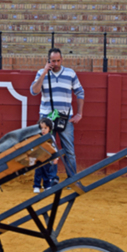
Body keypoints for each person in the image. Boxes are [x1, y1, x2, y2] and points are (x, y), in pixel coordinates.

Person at [30, 48, 85, 179]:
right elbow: (34, 91)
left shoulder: (70, 73)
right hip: (46, 118)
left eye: (58, 60)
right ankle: (50, 179)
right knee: (47, 149)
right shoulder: (41, 73)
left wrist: (79, 114)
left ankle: (72, 180)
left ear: (62, 59)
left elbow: (80, 92)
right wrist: (44, 72)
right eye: (53, 61)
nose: (56, 63)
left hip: (65, 118)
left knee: (69, 150)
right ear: (48, 60)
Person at [33, 117, 59, 194]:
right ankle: (37, 186)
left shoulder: (51, 138)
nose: (43, 130)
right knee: (38, 172)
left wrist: (56, 158)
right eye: (41, 128)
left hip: (47, 158)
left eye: (45, 128)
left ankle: (46, 186)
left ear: (50, 129)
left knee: (46, 172)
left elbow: (54, 148)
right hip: (38, 158)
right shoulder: (37, 137)